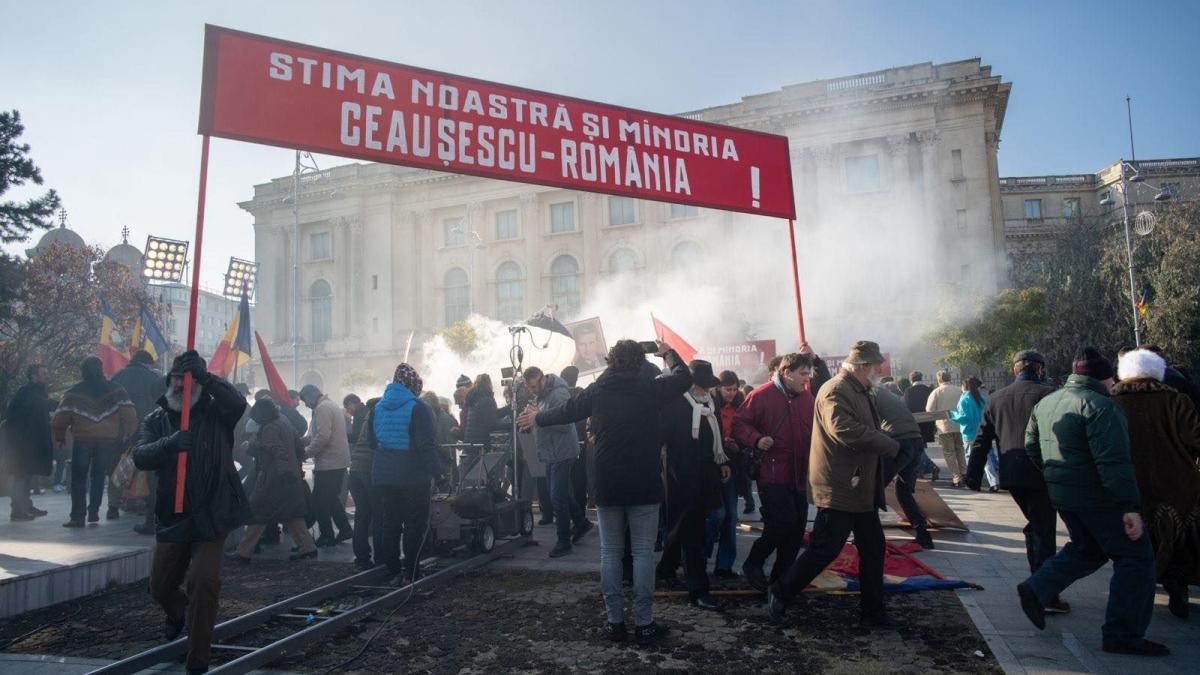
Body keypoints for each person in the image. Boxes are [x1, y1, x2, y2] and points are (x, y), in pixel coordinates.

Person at [522, 339, 691, 645]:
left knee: (610, 552)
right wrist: (666, 352)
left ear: (611, 360)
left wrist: (538, 417)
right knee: (641, 553)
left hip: (608, 479)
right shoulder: (652, 388)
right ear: (641, 361)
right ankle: (644, 623)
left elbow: (567, 411)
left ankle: (615, 621)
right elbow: (684, 378)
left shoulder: (598, 389)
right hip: (644, 480)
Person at [1017, 347, 1167, 657]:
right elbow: (1114, 462)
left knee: (1088, 549)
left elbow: (1031, 446)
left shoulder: (1048, 402)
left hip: (1064, 495)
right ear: (1105, 376)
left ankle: (1037, 587)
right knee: (1136, 559)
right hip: (1100, 498)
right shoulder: (1102, 406)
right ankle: (1123, 634)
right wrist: (1129, 507)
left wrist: (1055, 475)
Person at [767, 341, 903, 629]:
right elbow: (843, 429)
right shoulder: (836, 390)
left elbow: (865, 427)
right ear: (862, 366)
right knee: (824, 550)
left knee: (873, 548)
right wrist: (888, 444)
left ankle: (873, 612)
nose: (879, 369)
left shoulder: (860, 390)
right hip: (840, 486)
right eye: (875, 365)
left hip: (858, 486)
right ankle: (781, 590)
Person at [133, 351, 252, 674]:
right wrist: (169, 445)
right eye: (177, 379)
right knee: (159, 587)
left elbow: (238, 403)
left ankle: (197, 660)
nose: (182, 386)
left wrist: (207, 376)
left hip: (212, 513)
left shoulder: (217, 414)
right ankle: (176, 612)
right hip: (174, 515)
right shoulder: (156, 419)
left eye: (189, 381)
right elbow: (140, 456)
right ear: (168, 382)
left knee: (204, 582)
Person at [966, 350, 1068, 612]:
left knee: (1037, 525)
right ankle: (1043, 592)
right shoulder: (1049, 394)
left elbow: (981, 440)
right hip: (1043, 472)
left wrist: (973, 477)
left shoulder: (997, 398)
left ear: (1015, 370)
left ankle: (1039, 583)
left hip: (1012, 474)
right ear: (1039, 369)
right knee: (1043, 530)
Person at [732, 346, 832, 592]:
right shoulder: (761, 395)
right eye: (803, 374)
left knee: (797, 530)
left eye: (809, 374)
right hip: (772, 473)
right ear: (786, 372)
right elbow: (739, 423)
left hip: (800, 475)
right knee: (781, 524)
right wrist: (756, 438)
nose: (807, 379)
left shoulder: (808, 398)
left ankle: (781, 582)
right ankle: (754, 562)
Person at [1112, 348, 1200, 618]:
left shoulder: (1111, 401)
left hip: (1130, 482)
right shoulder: (1177, 400)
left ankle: (1137, 595)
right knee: (1178, 541)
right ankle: (1178, 586)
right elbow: (1196, 438)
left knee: (1135, 542)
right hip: (1176, 482)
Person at [656, 360, 728, 610]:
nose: (705, 390)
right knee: (692, 530)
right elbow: (661, 439)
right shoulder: (674, 404)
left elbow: (718, 434)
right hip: (679, 475)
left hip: (707, 472)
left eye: (708, 386)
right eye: (701, 385)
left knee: (683, 526)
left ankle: (665, 568)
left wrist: (723, 462)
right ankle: (698, 589)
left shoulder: (712, 403)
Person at [368, 364, 445, 583]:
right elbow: (425, 446)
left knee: (390, 522)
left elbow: (372, 442)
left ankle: (392, 567)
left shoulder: (377, 408)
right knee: (414, 524)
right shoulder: (418, 408)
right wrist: (439, 474)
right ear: (413, 387)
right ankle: (411, 571)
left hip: (383, 475)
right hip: (412, 477)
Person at [52, 356, 138, 527]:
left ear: (83, 371)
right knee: (99, 476)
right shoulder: (116, 390)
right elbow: (130, 415)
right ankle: (94, 513)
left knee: (78, 478)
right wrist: (128, 433)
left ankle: (77, 516)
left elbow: (59, 419)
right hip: (107, 440)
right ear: (101, 369)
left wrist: (60, 436)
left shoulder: (74, 392)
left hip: (82, 440)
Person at [229, 399, 318, 562]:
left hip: (273, 479)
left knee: (257, 513)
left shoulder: (269, 428)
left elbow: (276, 451)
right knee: (292, 514)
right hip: (290, 477)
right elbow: (298, 447)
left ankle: (243, 552)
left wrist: (250, 448)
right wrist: (293, 470)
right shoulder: (284, 422)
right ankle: (308, 547)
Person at [520, 366, 592, 557]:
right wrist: (534, 416)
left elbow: (564, 423)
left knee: (557, 497)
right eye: (530, 388)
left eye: (534, 387)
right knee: (559, 494)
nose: (532, 391)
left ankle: (564, 540)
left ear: (543, 380)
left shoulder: (558, 394)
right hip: (553, 451)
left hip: (562, 451)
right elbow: (544, 418)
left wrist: (537, 418)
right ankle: (581, 522)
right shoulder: (544, 394)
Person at [873, 382, 934, 549]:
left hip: (899, 442)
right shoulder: (890, 397)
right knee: (904, 491)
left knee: (873, 490)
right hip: (916, 441)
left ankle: (870, 537)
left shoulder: (871, 395)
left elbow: (871, 426)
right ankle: (923, 535)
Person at [112, 350, 167, 533]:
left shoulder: (118, 376)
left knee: (120, 466)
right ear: (148, 363)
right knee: (149, 473)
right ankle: (143, 506)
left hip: (122, 430)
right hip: (149, 430)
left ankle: (115, 505)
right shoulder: (153, 379)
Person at [299, 384, 353, 547]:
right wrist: (301, 442)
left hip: (330, 462)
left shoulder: (322, 409)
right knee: (330, 499)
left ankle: (327, 535)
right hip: (335, 462)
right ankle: (344, 529)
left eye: (305, 401)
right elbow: (315, 434)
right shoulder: (328, 406)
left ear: (310, 396)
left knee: (319, 501)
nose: (306, 405)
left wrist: (306, 452)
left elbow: (323, 437)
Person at [4, 364, 54, 521]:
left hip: (30, 443)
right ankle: (18, 511)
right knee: (21, 476)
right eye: (44, 373)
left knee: (28, 475)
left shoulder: (36, 392)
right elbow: (39, 405)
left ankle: (26, 505)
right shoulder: (26, 393)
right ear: (34, 376)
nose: (47, 376)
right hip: (22, 444)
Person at [711, 370, 747, 576]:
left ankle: (724, 564)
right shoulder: (709, 404)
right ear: (719, 388)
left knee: (731, 516)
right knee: (716, 515)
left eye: (734, 389)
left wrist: (737, 444)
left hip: (732, 467)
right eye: (728, 389)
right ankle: (702, 552)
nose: (731, 393)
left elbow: (745, 431)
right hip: (711, 467)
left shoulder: (741, 407)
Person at [349, 395, 383, 570]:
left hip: (355, 469)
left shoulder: (366, 418)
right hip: (369, 470)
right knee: (379, 514)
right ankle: (381, 557)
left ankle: (361, 558)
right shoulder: (379, 418)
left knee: (362, 515)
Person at [927, 370, 966, 487]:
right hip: (959, 425)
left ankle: (957, 477)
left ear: (939, 379)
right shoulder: (959, 390)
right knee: (960, 450)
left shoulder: (936, 392)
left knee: (949, 453)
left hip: (944, 427)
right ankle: (964, 473)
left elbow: (929, 409)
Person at [560, 365, 592, 511]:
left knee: (565, 479)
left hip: (563, 442)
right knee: (580, 477)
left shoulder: (558, 395)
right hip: (580, 440)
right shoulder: (582, 393)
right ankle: (580, 508)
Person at [462, 374, 498, 450]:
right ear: (489, 384)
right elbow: (491, 423)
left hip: (469, 441)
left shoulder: (474, 398)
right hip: (480, 444)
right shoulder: (486, 399)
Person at [904, 371, 936, 449]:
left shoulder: (908, 390)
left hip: (915, 420)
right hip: (927, 419)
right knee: (924, 441)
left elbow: (906, 406)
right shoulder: (928, 389)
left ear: (911, 380)